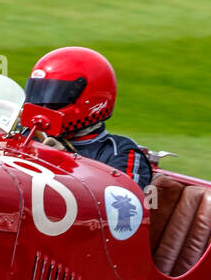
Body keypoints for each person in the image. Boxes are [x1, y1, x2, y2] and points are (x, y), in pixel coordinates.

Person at [24, 46, 152, 190]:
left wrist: (67, 161)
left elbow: (122, 206)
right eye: (39, 95)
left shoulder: (119, 152)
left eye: (54, 98)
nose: (44, 107)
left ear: (90, 101)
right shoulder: (26, 134)